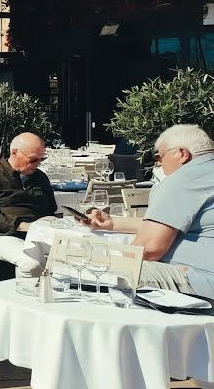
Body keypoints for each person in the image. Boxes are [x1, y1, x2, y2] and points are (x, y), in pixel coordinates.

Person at [86, 125, 214, 294]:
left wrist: (109, 258)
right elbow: (170, 224)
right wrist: (113, 223)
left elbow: (148, 248)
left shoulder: (183, 178)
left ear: (182, 154)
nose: (159, 163)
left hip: (201, 281)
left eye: (160, 157)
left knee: (87, 271)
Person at [0, 132, 57, 243]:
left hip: (39, 234)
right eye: (33, 159)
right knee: (31, 260)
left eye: (42, 159)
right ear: (15, 152)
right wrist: (20, 225)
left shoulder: (40, 177)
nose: (38, 164)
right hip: (3, 235)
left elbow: (51, 209)